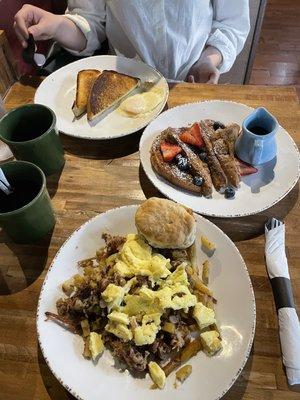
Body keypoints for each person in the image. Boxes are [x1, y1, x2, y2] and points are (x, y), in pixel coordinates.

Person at [14, 1, 250, 83]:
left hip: (190, 84)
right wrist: (57, 25)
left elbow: (231, 24)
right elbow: (91, 23)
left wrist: (209, 60)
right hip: (124, 88)